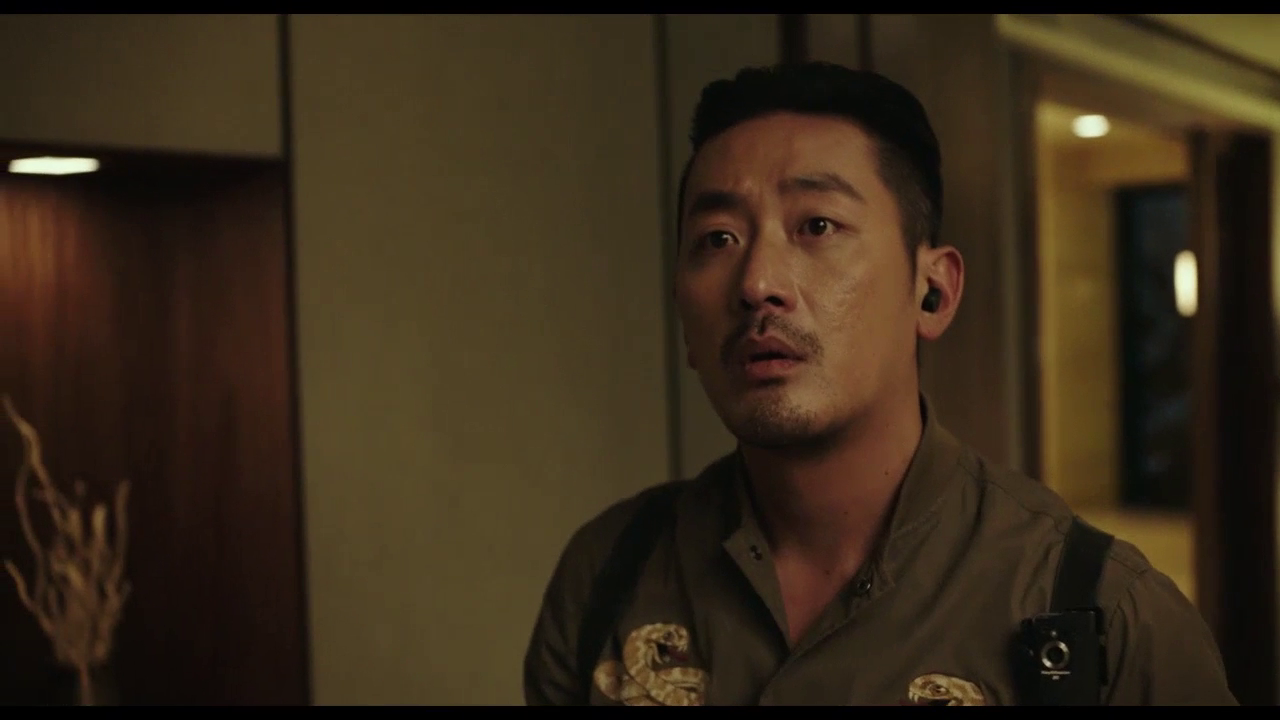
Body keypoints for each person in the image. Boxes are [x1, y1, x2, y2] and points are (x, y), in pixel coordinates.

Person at [522, 61, 1237, 706]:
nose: (758, 283)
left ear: (933, 291)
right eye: (717, 239)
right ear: (684, 318)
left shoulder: (1097, 614)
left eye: (817, 225)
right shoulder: (611, 574)